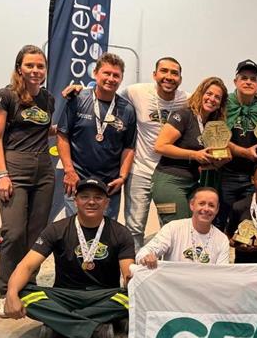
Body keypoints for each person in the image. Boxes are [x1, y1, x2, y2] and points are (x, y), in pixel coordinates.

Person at [3, 179, 135, 338]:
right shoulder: (56, 229)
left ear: (107, 202)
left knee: (133, 296)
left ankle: (58, 325)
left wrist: (136, 279)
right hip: (64, 296)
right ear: (76, 200)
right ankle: (96, 328)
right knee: (23, 293)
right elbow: (27, 265)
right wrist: (11, 294)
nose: (91, 202)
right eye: (85, 196)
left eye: (98, 197)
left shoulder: (121, 233)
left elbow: (128, 275)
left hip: (104, 295)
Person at [0, 45, 55, 313]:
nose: (35, 70)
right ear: (19, 68)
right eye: (30, 65)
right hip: (14, 166)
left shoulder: (48, 99)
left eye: (40, 66)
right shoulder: (6, 95)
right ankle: (6, 290)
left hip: (43, 169)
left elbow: (40, 128)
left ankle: (29, 283)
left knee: (36, 235)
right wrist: (2, 173)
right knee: (14, 232)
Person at [57, 53, 137, 220]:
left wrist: (122, 177)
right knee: (75, 231)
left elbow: (129, 147)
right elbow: (62, 136)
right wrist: (69, 171)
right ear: (95, 73)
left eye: (116, 75)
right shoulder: (78, 99)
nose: (111, 78)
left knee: (104, 235)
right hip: (77, 180)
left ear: (121, 79)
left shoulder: (127, 109)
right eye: (106, 73)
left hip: (109, 185)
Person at [120, 57, 189, 250]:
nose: (169, 77)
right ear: (154, 75)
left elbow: (211, 101)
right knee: (134, 227)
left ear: (180, 79)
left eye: (174, 73)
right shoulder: (136, 92)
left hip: (168, 175)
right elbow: (107, 95)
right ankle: (131, 276)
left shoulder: (187, 99)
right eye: (164, 71)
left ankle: (167, 274)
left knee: (170, 227)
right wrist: (80, 90)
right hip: (140, 171)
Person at [152, 77, 229, 226]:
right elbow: (160, 146)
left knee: (192, 229)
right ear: (200, 93)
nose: (212, 99)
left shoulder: (211, 124)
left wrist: (216, 163)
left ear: (221, 104)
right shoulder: (184, 115)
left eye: (217, 97)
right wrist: (194, 155)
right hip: (170, 180)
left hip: (192, 182)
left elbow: (201, 159)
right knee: (177, 230)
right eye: (209, 93)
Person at [216, 59, 257, 229]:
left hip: (254, 178)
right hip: (227, 174)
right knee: (223, 219)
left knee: (250, 221)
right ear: (235, 81)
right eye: (244, 77)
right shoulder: (221, 107)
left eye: (253, 79)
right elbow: (213, 136)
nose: (248, 82)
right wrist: (243, 151)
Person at [135, 187, 229, 266]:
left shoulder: (222, 240)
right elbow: (143, 253)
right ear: (192, 205)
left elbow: (222, 273)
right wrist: (146, 257)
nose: (206, 209)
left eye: (211, 205)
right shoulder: (173, 228)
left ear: (217, 210)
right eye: (201, 203)